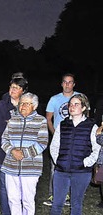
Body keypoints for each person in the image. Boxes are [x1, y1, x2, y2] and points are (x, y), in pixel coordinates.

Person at [46, 94, 99, 215]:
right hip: (62, 171)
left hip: (81, 172)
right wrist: (59, 161)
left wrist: (86, 162)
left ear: (83, 107)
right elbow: (54, 146)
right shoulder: (63, 124)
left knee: (76, 204)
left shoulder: (91, 126)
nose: (72, 107)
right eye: (71, 104)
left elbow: (97, 148)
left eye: (76, 104)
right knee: (57, 203)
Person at [1, 93, 48, 215]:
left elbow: (42, 143)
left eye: (27, 104)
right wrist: (12, 151)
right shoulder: (13, 120)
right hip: (11, 165)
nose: (23, 106)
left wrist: (24, 154)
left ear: (34, 106)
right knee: (13, 198)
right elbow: (4, 140)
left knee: (27, 199)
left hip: (30, 167)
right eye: (21, 103)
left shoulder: (41, 121)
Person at [0, 76, 28, 215]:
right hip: (3, 150)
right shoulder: (1, 104)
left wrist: (10, 123)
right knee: (4, 184)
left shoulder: (27, 105)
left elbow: (27, 128)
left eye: (16, 88)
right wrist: (14, 124)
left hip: (21, 150)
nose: (12, 90)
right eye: (11, 86)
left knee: (20, 185)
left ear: (23, 91)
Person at [43, 73, 79, 207]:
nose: (67, 84)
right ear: (61, 83)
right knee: (55, 167)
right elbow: (48, 119)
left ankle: (70, 196)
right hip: (59, 138)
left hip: (75, 138)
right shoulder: (54, 99)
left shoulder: (80, 98)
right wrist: (54, 134)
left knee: (73, 166)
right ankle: (54, 195)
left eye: (70, 82)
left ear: (74, 84)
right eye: (65, 82)